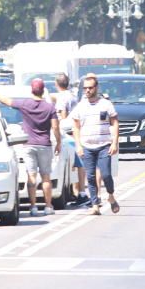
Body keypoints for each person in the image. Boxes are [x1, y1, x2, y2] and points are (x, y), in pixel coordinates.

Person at [0, 79, 61, 216]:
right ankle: (48, 206)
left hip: (29, 144)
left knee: (31, 176)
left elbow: (7, 101)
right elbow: (55, 127)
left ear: (32, 90)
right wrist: (59, 142)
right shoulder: (49, 107)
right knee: (46, 177)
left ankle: (33, 207)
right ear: (43, 90)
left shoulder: (25, 104)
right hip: (44, 144)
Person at [70, 74, 120, 216]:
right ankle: (95, 205)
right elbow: (76, 127)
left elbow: (115, 122)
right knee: (91, 177)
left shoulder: (106, 104)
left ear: (96, 88)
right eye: (85, 88)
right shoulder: (80, 106)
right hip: (87, 146)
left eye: (90, 88)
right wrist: (78, 145)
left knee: (106, 174)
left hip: (104, 145)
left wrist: (114, 142)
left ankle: (110, 195)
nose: (87, 91)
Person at [53, 73, 89, 207]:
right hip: (75, 131)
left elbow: (63, 116)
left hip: (66, 133)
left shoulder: (61, 98)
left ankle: (80, 193)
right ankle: (79, 191)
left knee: (74, 163)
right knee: (78, 164)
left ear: (56, 84)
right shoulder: (72, 96)